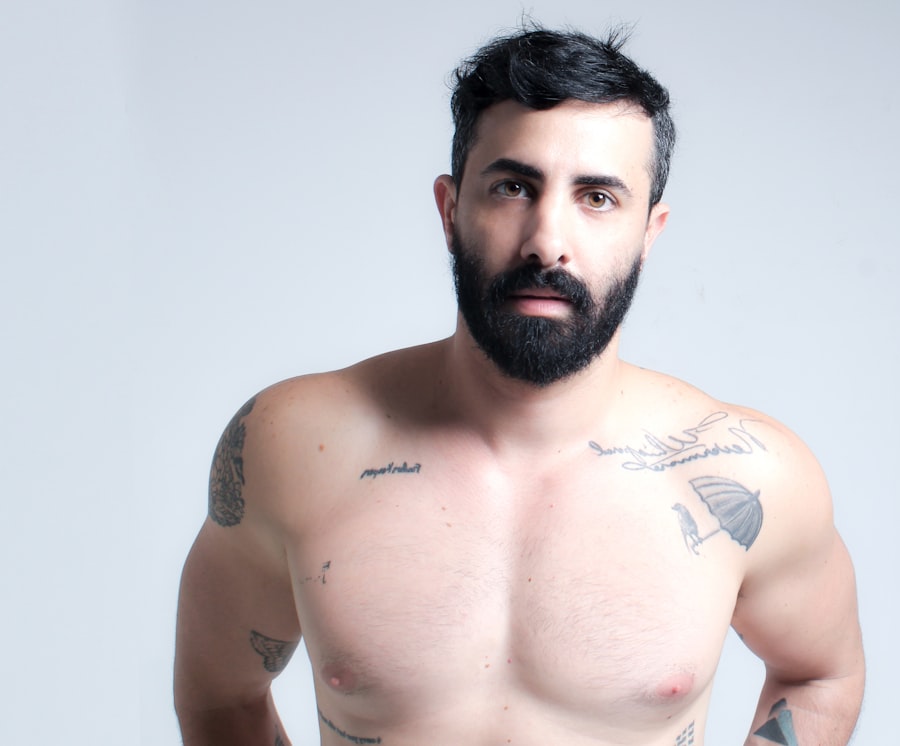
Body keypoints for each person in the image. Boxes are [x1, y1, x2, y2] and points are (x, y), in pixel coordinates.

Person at [174, 24, 864, 746]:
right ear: (450, 211)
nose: (546, 242)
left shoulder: (751, 474)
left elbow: (822, 674)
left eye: (597, 198)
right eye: (512, 187)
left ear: (649, 232)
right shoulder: (293, 448)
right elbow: (219, 696)